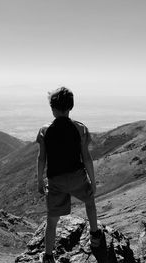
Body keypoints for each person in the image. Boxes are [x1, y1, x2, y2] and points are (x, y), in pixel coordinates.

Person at [36, 87, 103, 263]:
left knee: (52, 220)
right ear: (71, 107)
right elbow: (86, 158)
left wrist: (39, 181)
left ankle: (49, 256)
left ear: (52, 107)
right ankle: (95, 235)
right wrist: (92, 181)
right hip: (77, 177)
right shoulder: (80, 128)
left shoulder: (44, 130)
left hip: (55, 180)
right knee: (90, 202)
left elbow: (41, 158)